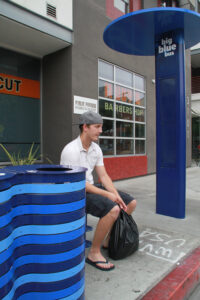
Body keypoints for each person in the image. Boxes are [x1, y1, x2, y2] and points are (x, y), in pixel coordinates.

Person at [60, 111, 136, 271]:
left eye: (101, 127)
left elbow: (104, 176)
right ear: (85, 127)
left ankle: (108, 240)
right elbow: (78, 183)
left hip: (90, 187)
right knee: (113, 209)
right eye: (97, 127)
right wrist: (107, 195)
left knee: (130, 203)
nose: (101, 131)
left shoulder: (96, 149)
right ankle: (94, 253)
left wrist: (114, 193)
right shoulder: (71, 150)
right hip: (74, 192)